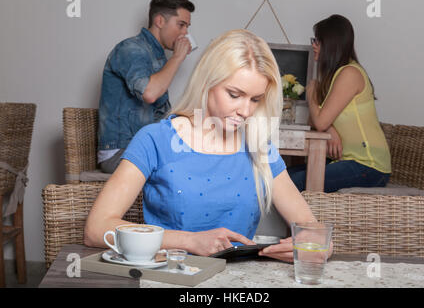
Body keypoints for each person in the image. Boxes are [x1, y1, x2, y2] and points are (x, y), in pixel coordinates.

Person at [84, 29, 332, 263]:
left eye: (255, 99)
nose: (245, 111)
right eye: (234, 95)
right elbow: (96, 229)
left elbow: (313, 228)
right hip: (171, 278)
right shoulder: (155, 139)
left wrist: (318, 246)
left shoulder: (258, 147)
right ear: (207, 82)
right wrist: (189, 241)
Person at [288, 14, 391, 192]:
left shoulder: (350, 73)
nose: (313, 45)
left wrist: (312, 91)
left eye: (317, 41)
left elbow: (319, 121)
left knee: (292, 183)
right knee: (282, 176)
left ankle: (306, 221)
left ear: (331, 44)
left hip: (368, 166)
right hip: (347, 162)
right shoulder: (337, 75)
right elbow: (314, 121)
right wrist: (330, 129)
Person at [97, 0, 195, 173]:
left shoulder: (158, 57)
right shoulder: (130, 49)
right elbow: (149, 93)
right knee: (188, 167)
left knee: (202, 154)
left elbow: (159, 112)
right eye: (181, 25)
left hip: (145, 145)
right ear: (159, 21)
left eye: (187, 27)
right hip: (121, 151)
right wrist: (178, 57)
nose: (185, 33)